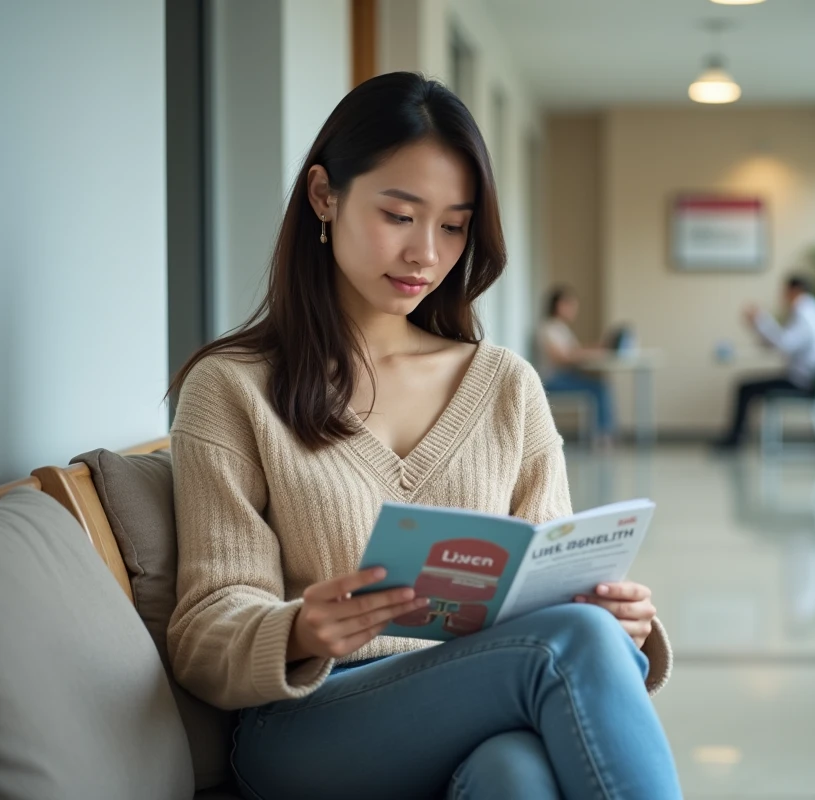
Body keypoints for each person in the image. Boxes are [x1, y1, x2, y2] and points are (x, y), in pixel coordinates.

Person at [166, 73, 680, 800]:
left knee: (516, 774)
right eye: (400, 215)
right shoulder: (233, 388)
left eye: (453, 226)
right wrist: (300, 630)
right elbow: (203, 631)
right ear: (324, 195)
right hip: (307, 725)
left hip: (484, 695)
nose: (426, 255)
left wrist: (617, 615)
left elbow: (552, 583)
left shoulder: (506, 386)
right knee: (571, 646)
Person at [714, 274, 815, 450]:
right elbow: (785, 343)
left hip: (802, 382)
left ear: (795, 290)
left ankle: (734, 441)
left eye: (785, 292)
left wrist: (761, 320)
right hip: (807, 378)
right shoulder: (813, 310)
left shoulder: (804, 312)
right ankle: (735, 438)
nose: (783, 297)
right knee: (746, 386)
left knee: (744, 387)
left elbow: (784, 344)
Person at [536, 286, 616, 445]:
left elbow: (574, 351)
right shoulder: (548, 328)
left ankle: (603, 433)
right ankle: (602, 435)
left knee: (599, 385)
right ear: (559, 305)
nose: (574, 310)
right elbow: (562, 357)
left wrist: (595, 349)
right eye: (570, 305)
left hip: (565, 377)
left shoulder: (561, 328)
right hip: (553, 381)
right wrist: (591, 353)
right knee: (598, 388)